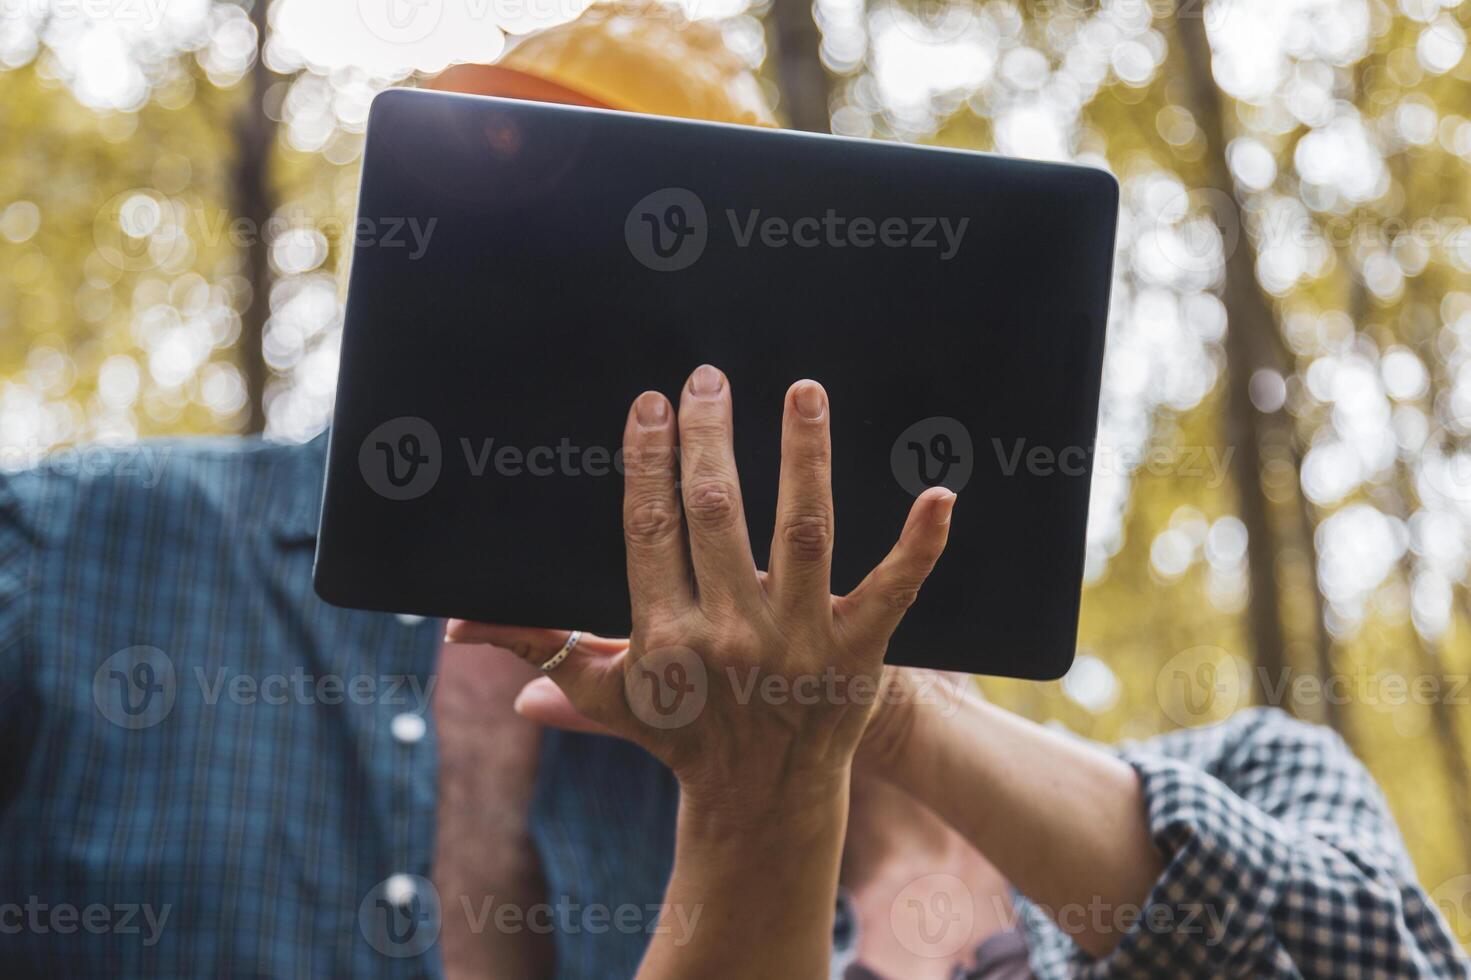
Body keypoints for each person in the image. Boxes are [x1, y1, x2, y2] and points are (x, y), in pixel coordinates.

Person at [449, 367, 1471, 979]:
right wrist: (749, 803)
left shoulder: (1252, 761)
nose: (803, 587)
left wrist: (883, 711)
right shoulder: (667, 887)